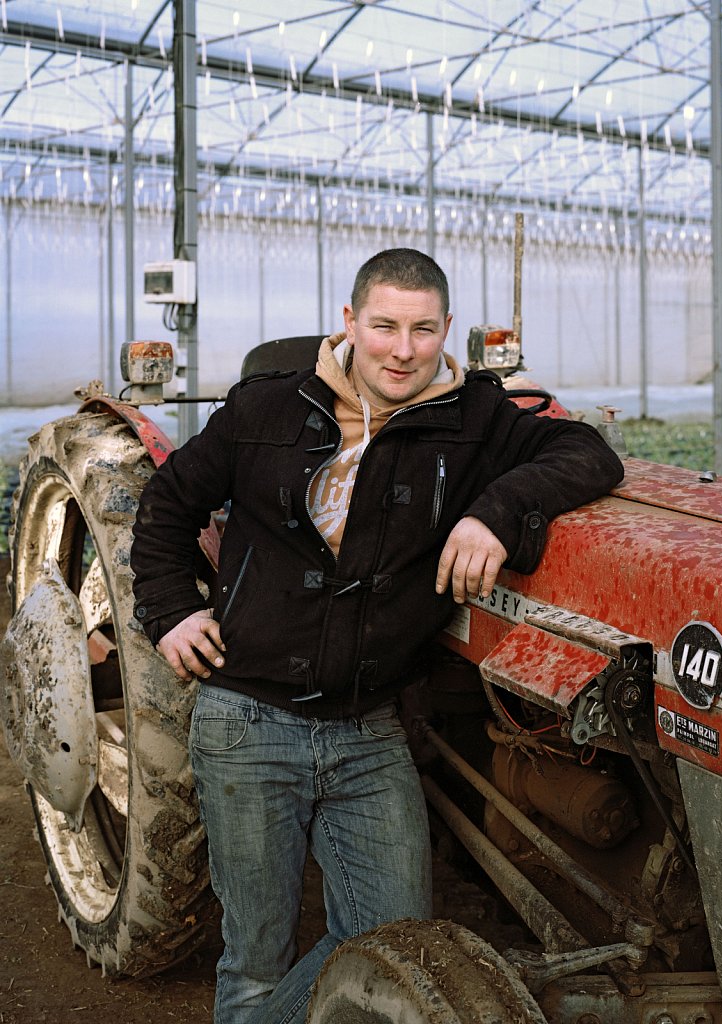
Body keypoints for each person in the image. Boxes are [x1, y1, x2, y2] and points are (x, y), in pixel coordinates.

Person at [130, 248, 624, 1024]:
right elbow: (166, 508)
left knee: (399, 944)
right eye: (385, 326)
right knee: (256, 962)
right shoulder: (266, 410)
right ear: (349, 323)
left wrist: (493, 511)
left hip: (368, 729)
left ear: (445, 330)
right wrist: (169, 610)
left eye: (422, 330)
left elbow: (587, 452)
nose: (403, 349)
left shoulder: (474, 418)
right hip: (248, 721)